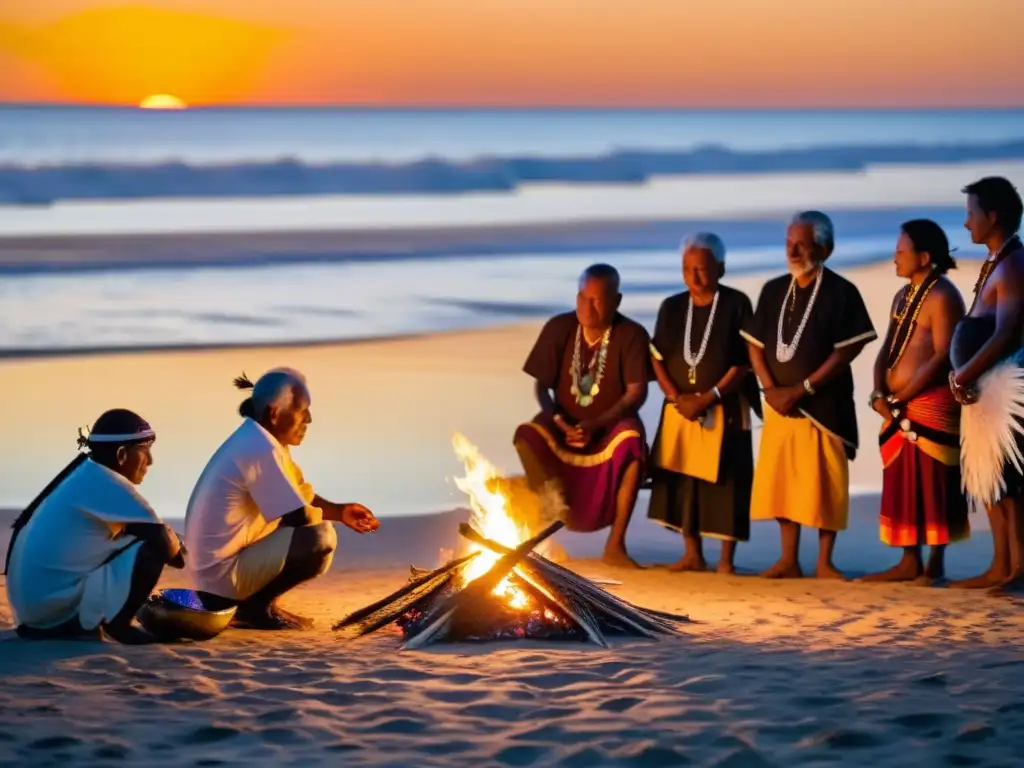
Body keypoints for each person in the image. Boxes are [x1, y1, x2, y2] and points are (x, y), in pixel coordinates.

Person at [184, 367, 379, 630]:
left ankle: (258, 604)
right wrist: (326, 517)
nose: (308, 419)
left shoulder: (263, 440)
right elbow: (297, 514)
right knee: (319, 536)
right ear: (274, 414)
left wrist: (341, 511)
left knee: (317, 527)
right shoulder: (258, 448)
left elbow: (301, 495)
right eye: (302, 410)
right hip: (219, 579)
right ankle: (253, 608)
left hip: (219, 571)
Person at [741, 211, 877, 579]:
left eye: (802, 243)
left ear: (825, 248)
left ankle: (824, 561)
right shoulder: (773, 290)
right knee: (784, 481)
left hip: (824, 405)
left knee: (825, 482)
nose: (794, 250)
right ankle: (788, 559)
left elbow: (846, 351)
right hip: (779, 406)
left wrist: (803, 388)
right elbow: (754, 347)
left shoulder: (842, 292)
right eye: (789, 243)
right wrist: (771, 389)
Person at [4, 409, 184, 644]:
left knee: (138, 538)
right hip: (53, 615)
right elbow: (169, 548)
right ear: (121, 454)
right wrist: (177, 546)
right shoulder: (107, 481)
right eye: (145, 450)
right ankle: (120, 626)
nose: (150, 461)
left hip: (31, 616)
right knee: (150, 548)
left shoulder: (83, 474)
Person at [513, 264, 651, 568]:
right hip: (563, 422)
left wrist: (597, 424)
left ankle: (616, 545)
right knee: (528, 434)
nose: (589, 307)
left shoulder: (632, 335)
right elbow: (541, 386)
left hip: (609, 427)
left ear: (617, 300)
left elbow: (636, 393)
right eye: (584, 298)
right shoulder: (559, 327)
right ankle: (542, 523)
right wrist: (557, 419)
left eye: (598, 300)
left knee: (633, 439)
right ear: (577, 297)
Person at [863, 219, 968, 583]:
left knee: (932, 481)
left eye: (901, 250)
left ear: (923, 257)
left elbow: (943, 356)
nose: (894, 256)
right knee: (902, 481)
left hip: (929, 404)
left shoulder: (943, 295)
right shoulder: (903, 295)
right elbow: (888, 347)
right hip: (895, 402)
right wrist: (879, 391)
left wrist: (902, 396)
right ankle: (909, 560)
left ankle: (934, 564)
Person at [647, 233, 758, 574]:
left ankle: (726, 560)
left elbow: (744, 361)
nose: (693, 276)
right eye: (686, 268)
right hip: (680, 405)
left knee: (730, 481)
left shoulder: (737, 303)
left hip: (725, 405)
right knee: (684, 482)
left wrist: (710, 397)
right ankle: (692, 554)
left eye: (701, 268)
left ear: (720, 268)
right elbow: (657, 358)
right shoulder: (672, 306)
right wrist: (676, 397)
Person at [947, 176, 1024, 591]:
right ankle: (1000, 565)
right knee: (990, 479)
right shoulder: (997, 260)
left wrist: (964, 372)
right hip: (980, 384)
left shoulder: (1013, 264)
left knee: (1011, 482)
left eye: (970, 214)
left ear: (992, 217)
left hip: (1002, 384)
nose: (966, 224)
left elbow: (1007, 333)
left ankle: (1019, 569)